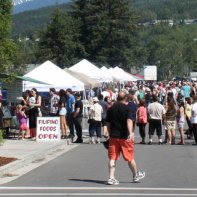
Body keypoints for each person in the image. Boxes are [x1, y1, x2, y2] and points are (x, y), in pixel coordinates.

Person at [106, 91, 145, 185]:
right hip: (124, 136)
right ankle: (135, 175)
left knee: (112, 158)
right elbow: (129, 120)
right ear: (126, 98)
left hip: (113, 136)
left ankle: (111, 178)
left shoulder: (110, 109)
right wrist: (131, 132)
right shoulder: (127, 109)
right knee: (130, 157)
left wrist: (109, 132)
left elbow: (108, 123)